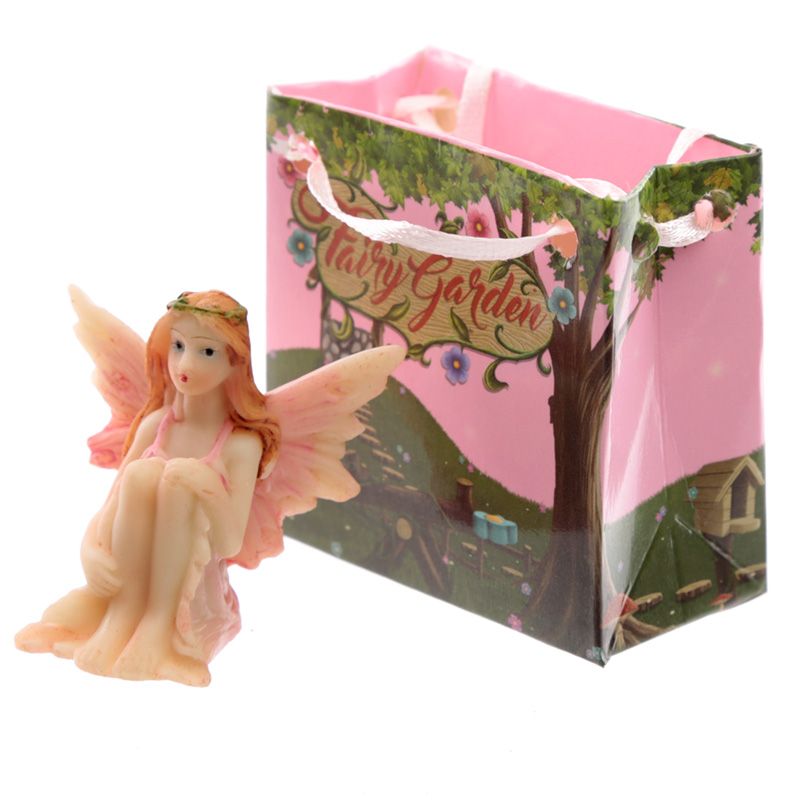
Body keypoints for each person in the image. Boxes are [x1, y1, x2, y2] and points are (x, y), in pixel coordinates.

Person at [15, 288, 405, 685]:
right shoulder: (156, 424)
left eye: (206, 352)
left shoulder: (240, 445)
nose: (185, 363)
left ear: (234, 362)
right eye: (178, 346)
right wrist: (90, 550)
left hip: (194, 592)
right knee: (141, 475)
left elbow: (230, 541)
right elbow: (111, 505)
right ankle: (121, 616)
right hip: (129, 580)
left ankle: (161, 629)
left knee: (177, 484)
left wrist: (205, 483)